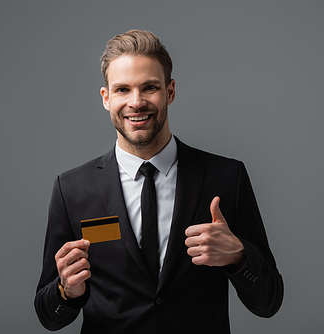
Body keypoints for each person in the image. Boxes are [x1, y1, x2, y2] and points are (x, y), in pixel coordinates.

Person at [34, 30, 283, 333]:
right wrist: (66, 291)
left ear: (170, 91)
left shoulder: (226, 178)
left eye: (149, 87)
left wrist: (239, 257)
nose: (136, 102)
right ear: (106, 98)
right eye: (123, 89)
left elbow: (269, 302)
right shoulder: (71, 190)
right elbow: (49, 316)